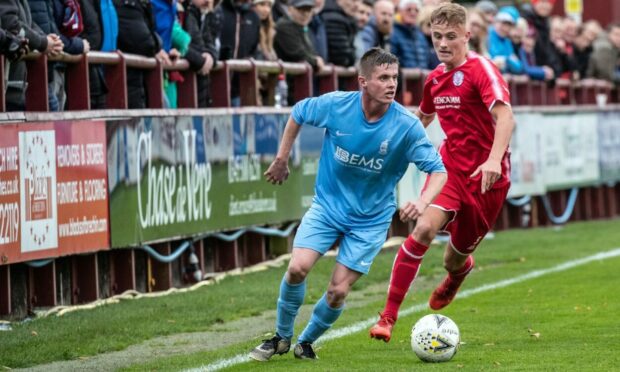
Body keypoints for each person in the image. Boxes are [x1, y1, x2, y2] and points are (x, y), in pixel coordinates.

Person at [249, 47, 447, 361]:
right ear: (363, 82)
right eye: (383, 78)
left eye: (394, 77)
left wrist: (423, 201)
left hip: (370, 220)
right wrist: (281, 158)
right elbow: (298, 113)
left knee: (337, 291)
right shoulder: (336, 105)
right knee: (297, 268)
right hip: (328, 208)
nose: (391, 84)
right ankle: (281, 337)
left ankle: (306, 342)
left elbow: (438, 170)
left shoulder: (406, 126)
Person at [370, 2, 515, 342]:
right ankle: (387, 317)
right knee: (422, 229)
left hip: (486, 180)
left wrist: (493, 160)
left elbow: (506, 117)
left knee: (454, 258)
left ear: (468, 35)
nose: (443, 43)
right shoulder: (434, 79)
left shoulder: (483, 70)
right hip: (448, 170)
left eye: (451, 36)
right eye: (437, 36)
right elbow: (423, 119)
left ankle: (457, 273)